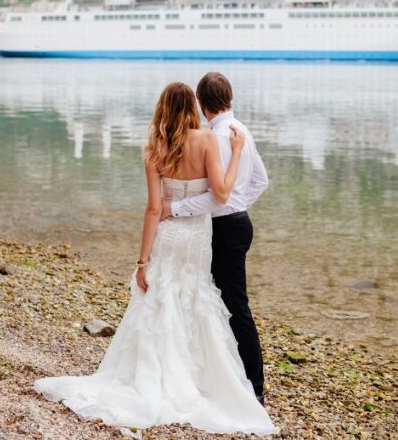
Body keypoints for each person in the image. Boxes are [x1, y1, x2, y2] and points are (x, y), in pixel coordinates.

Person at [34, 82, 279, 436]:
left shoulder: (153, 148)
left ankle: (157, 375)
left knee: (161, 299)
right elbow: (223, 194)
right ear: (193, 107)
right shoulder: (210, 139)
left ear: (162, 109)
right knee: (197, 300)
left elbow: (152, 209)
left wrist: (142, 260)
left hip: (167, 236)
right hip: (197, 237)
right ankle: (204, 379)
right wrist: (237, 152)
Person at [161, 72, 269, 404]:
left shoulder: (219, 137)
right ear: (229, 98)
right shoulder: (242, 130)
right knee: (216, 302)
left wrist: (175, 208)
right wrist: (239, 206)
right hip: (238, 223)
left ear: (202, 102)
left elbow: (217, 196)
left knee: (232, 305)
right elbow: (260, 181)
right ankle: (223, 375)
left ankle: (253, 386)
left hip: (224, 227)